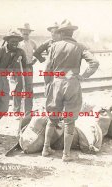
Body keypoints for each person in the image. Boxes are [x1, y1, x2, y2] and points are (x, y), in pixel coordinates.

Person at [42, 20, 99, 161]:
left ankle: (45, 148)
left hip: (57, 83)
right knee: (69, 121)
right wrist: (83, 76)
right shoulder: (79, 46)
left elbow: (47, 69)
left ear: (61, 32)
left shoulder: (54, 46)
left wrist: (48, 85)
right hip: (72, 84)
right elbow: (95, 63)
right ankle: (66, 154)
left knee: (52, 118)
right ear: (72, 32)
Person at [0, 30, 28, 144]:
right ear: (7, 41)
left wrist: (23, 59)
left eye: (17, 41)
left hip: (4, 80)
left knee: (3, 108)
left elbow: (24, 65)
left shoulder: (19, 52)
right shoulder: (0, 50)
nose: (15, 43)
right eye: (13, 41)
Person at [13, 23, 37, 117]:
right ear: (21, 32)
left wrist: (35, 59)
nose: (25, 34)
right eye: (24, 33)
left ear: (29, 33)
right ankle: (16, 111)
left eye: (27, 33)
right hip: (19, 67)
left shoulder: (32, 43)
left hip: (29, 67)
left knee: (29, 89)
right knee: (18, 88)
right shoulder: (18, 43)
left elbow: (38, 52)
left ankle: (28, 111)